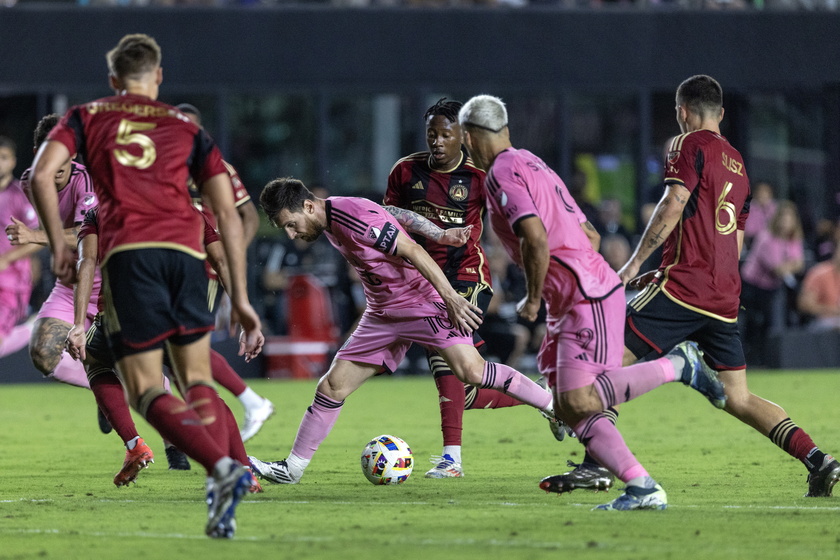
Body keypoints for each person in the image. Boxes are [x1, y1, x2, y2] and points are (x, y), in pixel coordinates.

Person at [29, 33, 262, 538]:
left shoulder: (87, 116)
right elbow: (226, 211)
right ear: (158, 77)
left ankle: (222, 472)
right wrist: (241, 298)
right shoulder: (187, 127)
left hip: (131, 255)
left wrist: (58, 245)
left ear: (113, 81)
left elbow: (42, 174)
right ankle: (233, 468)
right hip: (188, 255)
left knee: (140, 386)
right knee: (195, 378)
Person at [457, 94, 726, 511]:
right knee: (567, 404)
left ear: (471, 136)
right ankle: (641, 486)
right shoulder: (532, 163)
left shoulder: (501, 173)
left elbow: (535, 237)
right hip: (581, 294)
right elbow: (591, 234)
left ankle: (680, 365)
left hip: (585, 296)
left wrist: (533, 297)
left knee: (580, 399)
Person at [248, 177, 559, 485]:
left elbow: (412, 251)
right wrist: (438, 232)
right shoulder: (335, 215)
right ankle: (292, 469)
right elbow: (391, 213)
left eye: (291, 224)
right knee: (332, 387)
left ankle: (554, 407)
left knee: (472, 372)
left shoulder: (352, 218)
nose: (291, 234)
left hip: (421, 303)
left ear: (307, 205)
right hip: (382, 314)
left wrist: (450, 298)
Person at [616, 74, 839, 498]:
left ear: (683, 112)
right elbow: (733, 239)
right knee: (738, 397)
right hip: (722, 296)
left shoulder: (686, 145)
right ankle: (818, 459)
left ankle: (597, 460)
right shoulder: (739, 163)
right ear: (721, 113)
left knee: (606, 354)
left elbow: (674, 202)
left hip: (685, 287)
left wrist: (632, 265)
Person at [384, 97, 543, 479]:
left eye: (445, 134)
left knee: (444, 353)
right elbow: (387, 218)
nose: (437, 141)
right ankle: (547, 399)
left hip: (468, 277)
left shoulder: (480, 176)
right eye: (431, 134)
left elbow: (511, 221)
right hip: (423, 284)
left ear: (463, 137)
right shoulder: (405, 171)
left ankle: (452, 459)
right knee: (467, 387)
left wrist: (520, 259)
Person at [68, 205, 261, 491]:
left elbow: (86, 261)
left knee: (98, 362)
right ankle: (244, 468)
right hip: (181, 318)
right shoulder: (189, 211)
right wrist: (246, 317)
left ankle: (136, 445)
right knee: (198, 387)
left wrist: (78, 324)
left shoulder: (102, 211)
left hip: (126, 317)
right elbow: (221, 261)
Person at [175, 102, 274, 442]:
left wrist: (231, 260)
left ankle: (247, 405)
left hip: (205, 267)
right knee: (176, 352)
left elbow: (246, 217)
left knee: (184, 348)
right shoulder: (164, 165)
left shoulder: (217, 168)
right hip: (173, 265)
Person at [7, 114, 98, 388]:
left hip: (113, 284)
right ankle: (107, 384)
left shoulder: (86, 181)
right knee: (44, 353)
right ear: (38, 153)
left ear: (73, 153)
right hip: (71, 285)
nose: (57, 160)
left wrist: (33, 236)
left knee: (152, 360)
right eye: (50, 150)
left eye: (64, 151)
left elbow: (86, 237)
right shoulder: (29, 183)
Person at [740, 201, 805, 365]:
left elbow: (800, 263)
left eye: (790, 218)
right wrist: (791, 264)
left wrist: (789, 265)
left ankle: (765, 361)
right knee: (752, 324)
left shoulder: (793, 239)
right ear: (777, 219)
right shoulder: (766, 237)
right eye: (783, 217)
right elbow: (777, 268)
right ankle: (747, 360)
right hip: (751, 287)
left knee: (768, 324)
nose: (786, 221)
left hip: (772, 288)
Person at [0, 136, 41, 358]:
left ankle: (30, 329)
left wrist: (6, 259)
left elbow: (37, 237)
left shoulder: (20, 194)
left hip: (11, 281)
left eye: (3, 158)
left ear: (13, 162)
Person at [797, 224, 840, 331]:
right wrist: (832, 310)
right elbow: (804, 304)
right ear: (836, 251)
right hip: (822, 322)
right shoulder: (819, 273)